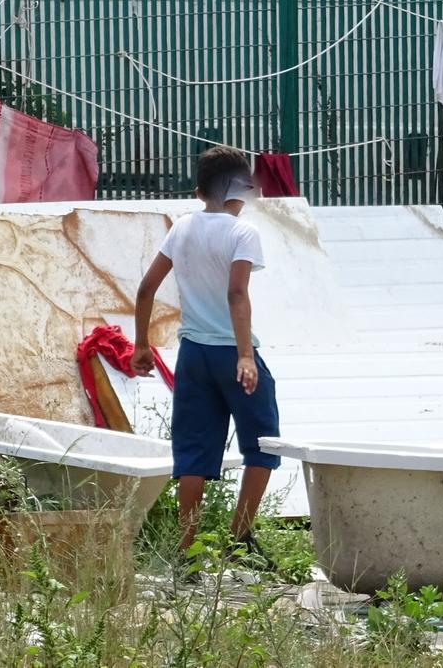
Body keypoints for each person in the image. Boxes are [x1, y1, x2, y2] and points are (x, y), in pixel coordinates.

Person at [133, 146, 281, 570]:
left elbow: (146, 289)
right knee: (263, 441)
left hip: (193, 355)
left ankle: (187, 553)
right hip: (233, 353)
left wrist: (141, 345)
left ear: (199, 191)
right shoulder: (242, 233)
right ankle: (239, 537)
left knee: (193, 452)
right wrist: (246, 356)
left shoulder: (181, 228)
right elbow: (236, 292)